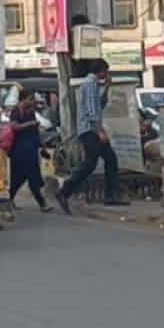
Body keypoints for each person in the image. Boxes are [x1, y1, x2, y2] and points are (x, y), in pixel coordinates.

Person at [55, 59, 128, 214]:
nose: (107, 75)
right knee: (89, 164)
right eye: (106, 72)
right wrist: (100, 131)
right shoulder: (90, 84)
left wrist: (107, 87)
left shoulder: (94, 85)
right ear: (101, 71)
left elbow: (99, 106)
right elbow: (91, 112)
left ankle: (110, 195)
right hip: (90, 131)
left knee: (110, 159)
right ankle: (64, 191)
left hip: (92, 130)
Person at [8, 92, 52, 213]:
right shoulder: (16, 111)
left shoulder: (30, 112)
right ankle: (42, 203)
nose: (32, 102)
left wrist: (42, 147)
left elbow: (35, 133)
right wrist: (30, 124)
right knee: (26, 177)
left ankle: (8, 200)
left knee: (22, 177)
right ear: (23, 99)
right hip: (20, 149)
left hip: (31, 148)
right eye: (30, 99)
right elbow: (14, 126)